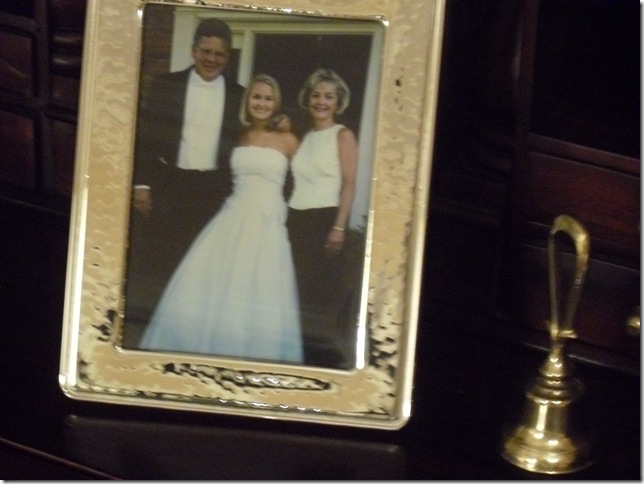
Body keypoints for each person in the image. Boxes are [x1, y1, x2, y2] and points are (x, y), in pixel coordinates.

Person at [139, 74, 303, 363]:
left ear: (276, 103)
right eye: (256, 97)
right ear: (247, 101)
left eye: (268, 98)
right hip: (233, 216)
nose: (261, 103)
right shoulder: (239, 136)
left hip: (267, 221)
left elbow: (302, 182)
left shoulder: (289, 140)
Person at [125, 18, 245, 326]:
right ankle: (160, 321)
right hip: (171, 182)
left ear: (227, 58)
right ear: (193, 51)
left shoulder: (239, 94)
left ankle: (198, 324)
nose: (212, 59)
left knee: (206, 261)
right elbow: (147, 136)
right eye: (206, 51)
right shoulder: (167, 84)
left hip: (215, 187)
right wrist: (142, 184)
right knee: (165, 255)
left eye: (219, 54)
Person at [286, 68, 359, 367]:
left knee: (320, 296)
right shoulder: (304, 137)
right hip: (295, 219)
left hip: (325, 222)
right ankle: (297, 356)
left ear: (338, 102)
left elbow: (349, 183)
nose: (321, 101)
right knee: (295, 292)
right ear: (308, 99)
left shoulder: (343, 135)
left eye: (328, 96)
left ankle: (322, 360)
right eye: (316, 95)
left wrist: (339, 227)